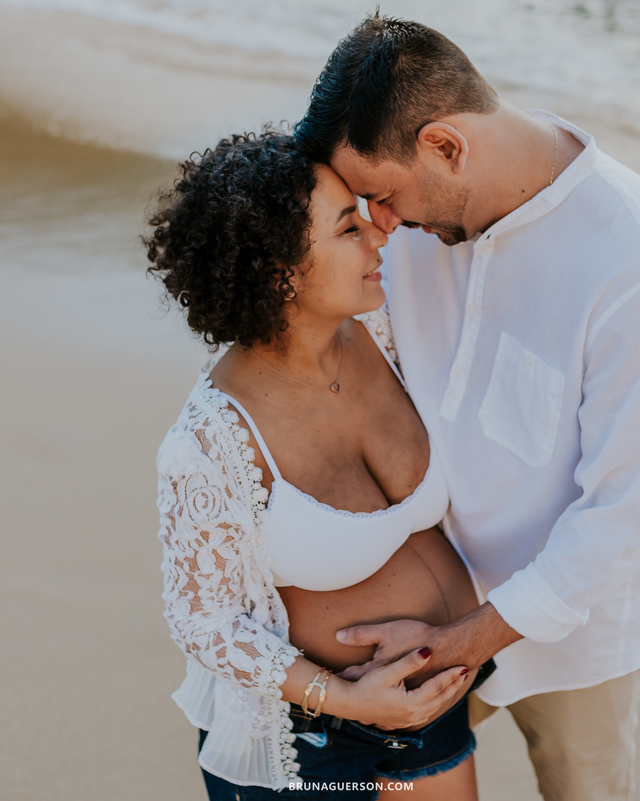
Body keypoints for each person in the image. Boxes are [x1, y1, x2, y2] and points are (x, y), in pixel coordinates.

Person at [293, 15, 640, 801]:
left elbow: (623, 517)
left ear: (447, 146)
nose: (377, 225)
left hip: (577, 636)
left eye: (381, 197)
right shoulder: (415, 214)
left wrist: (460, 641)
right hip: (419, 598)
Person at [149, 130, 493, 800]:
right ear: (281, 271)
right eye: (347, 229)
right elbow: (200, 619)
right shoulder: (210, 441)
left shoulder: (385, 328)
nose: (377, 236)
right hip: (313, 739)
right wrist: (347, 697)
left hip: (435, 702)